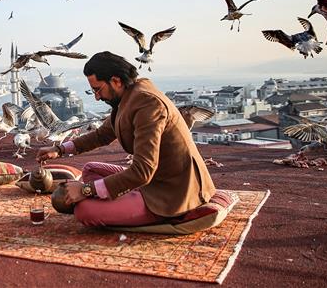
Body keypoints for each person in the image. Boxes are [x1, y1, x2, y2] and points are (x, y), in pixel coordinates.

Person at [36, 51, 216, 227]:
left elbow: (142, 172)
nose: (97, 97)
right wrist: (58, 150)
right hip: (151, 178)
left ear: (115, 80)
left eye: (98, 89)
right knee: (90, 169)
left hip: (172, 190)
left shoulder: (147, 104)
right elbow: (102, 134)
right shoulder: (128, 96)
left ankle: (143, 206)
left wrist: (85, 190)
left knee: (85, 212)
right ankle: (126, 195)